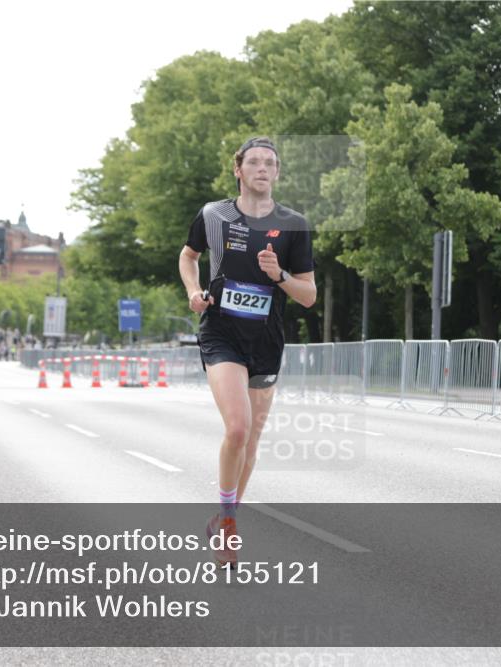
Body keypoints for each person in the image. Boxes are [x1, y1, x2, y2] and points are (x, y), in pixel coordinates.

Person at [179, 136, 316, 568]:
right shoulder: (213, 215)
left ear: (277, 173)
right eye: (253, 162)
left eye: (269, 163)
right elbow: (188, 257)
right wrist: (193, 291)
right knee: (237, 428)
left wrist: (279, 277)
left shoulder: (294, 224)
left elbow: (309, 295)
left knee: (252, 439)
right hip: (221, 331)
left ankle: (224, 514)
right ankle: (231, 526)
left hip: (267, 339)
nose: (261, 168)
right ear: (238, 170)